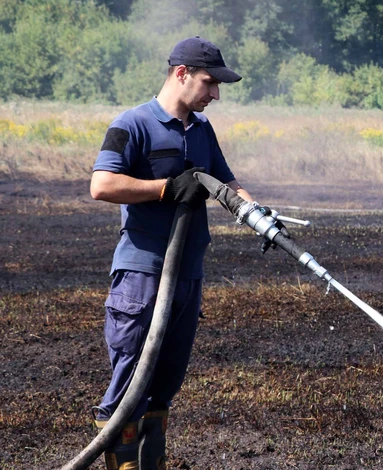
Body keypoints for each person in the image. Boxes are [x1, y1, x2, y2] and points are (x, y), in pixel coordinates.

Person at [89, 36, 251, 470]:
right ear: (181, 74)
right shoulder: (133, 124)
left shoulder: (201, 130)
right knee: (130, 379)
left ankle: (152, 463)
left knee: (166, 380)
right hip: (143, 273)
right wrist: (163, 188)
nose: (215, 93)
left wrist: (256, 213)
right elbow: (102, 185)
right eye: (208, 83)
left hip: (188, 271)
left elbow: (227, 182)